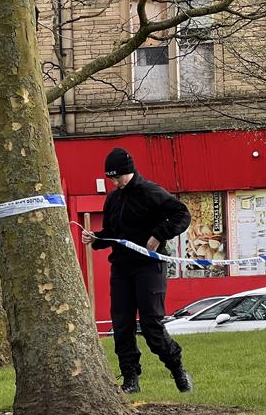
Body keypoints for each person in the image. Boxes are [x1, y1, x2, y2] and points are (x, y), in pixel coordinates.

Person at [81, 147, 193, 394]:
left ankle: (177, 369)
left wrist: (158, 235)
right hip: (121, 268)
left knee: (152, 324)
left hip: (149, 266)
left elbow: (182, 214)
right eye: (110, 178)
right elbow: (111, 234)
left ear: (128, 172)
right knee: (121, 326)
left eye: (117, 177)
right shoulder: (112, 198)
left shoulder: (151, 192)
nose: (114, 182)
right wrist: (95, 239)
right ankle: (130, 378)